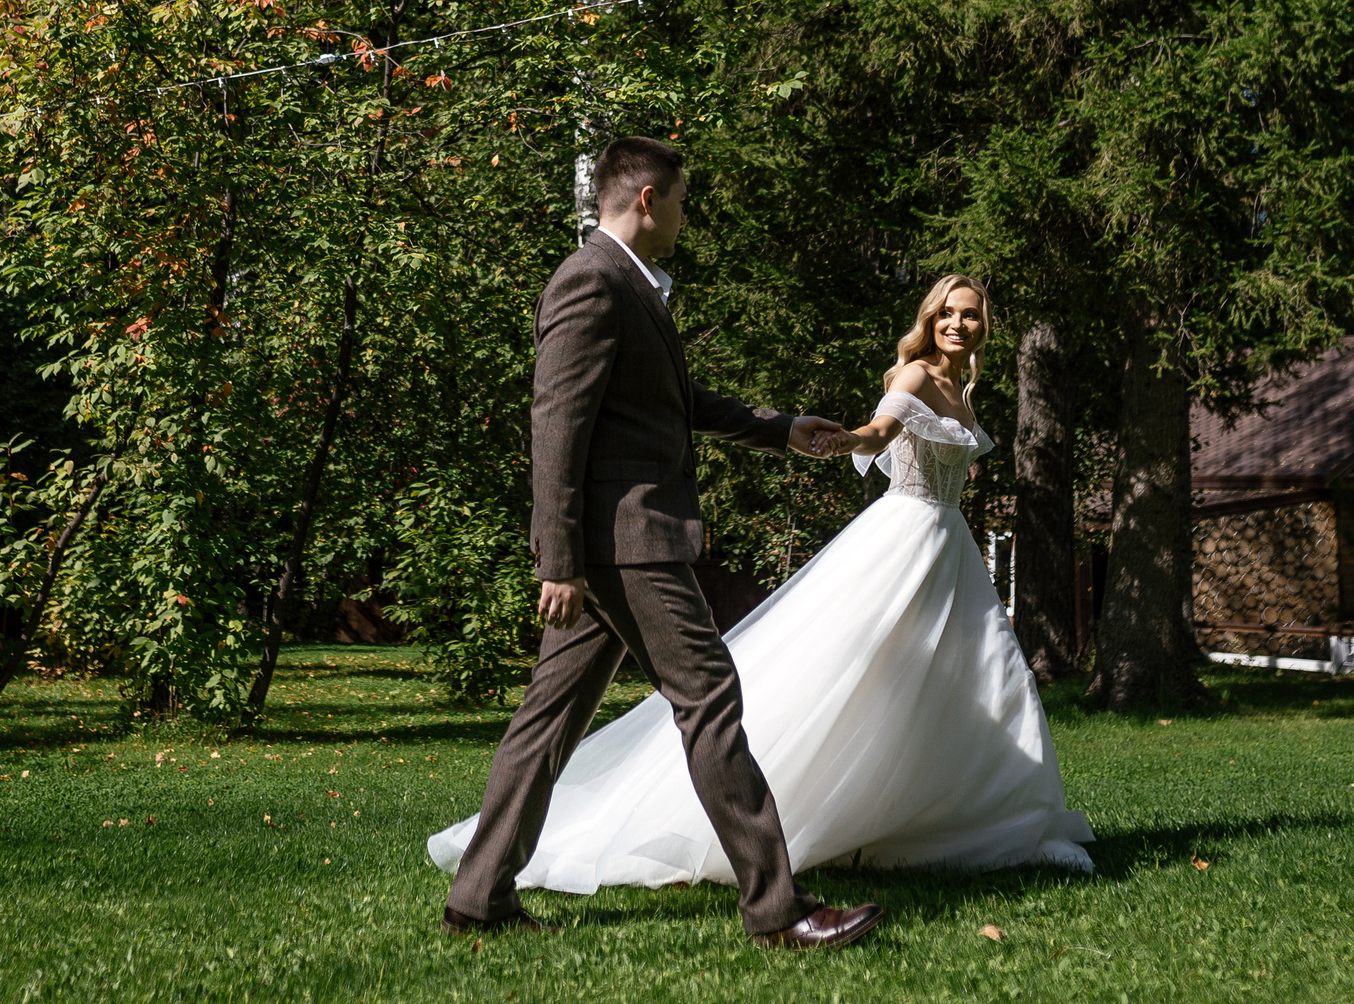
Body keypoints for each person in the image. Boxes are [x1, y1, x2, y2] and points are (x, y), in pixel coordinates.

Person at [430, 266, 1093, 917]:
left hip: (951, 550)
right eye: (946, 312)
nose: (956, 323)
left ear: (984, 326)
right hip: (903, 540)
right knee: (829, 678)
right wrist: (847, 439)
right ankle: (776, 880)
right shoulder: (914, 376)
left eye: (969, 314)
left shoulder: (966, 393)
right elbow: (879, 430)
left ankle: (949, 817)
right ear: (929, 319)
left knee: (972, 679)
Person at [434, 136, 884, 951]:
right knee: (709, 697)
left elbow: (674, 400)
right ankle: (778, 908)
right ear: (647, 198)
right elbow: (556, 425)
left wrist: (781, 428)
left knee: (549, 717)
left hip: (617, 546)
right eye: (680, 199)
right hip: (625, 545)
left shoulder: (630, 284)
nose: (684, 215)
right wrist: (558, 560)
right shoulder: (592, 281)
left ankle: (479, 895)